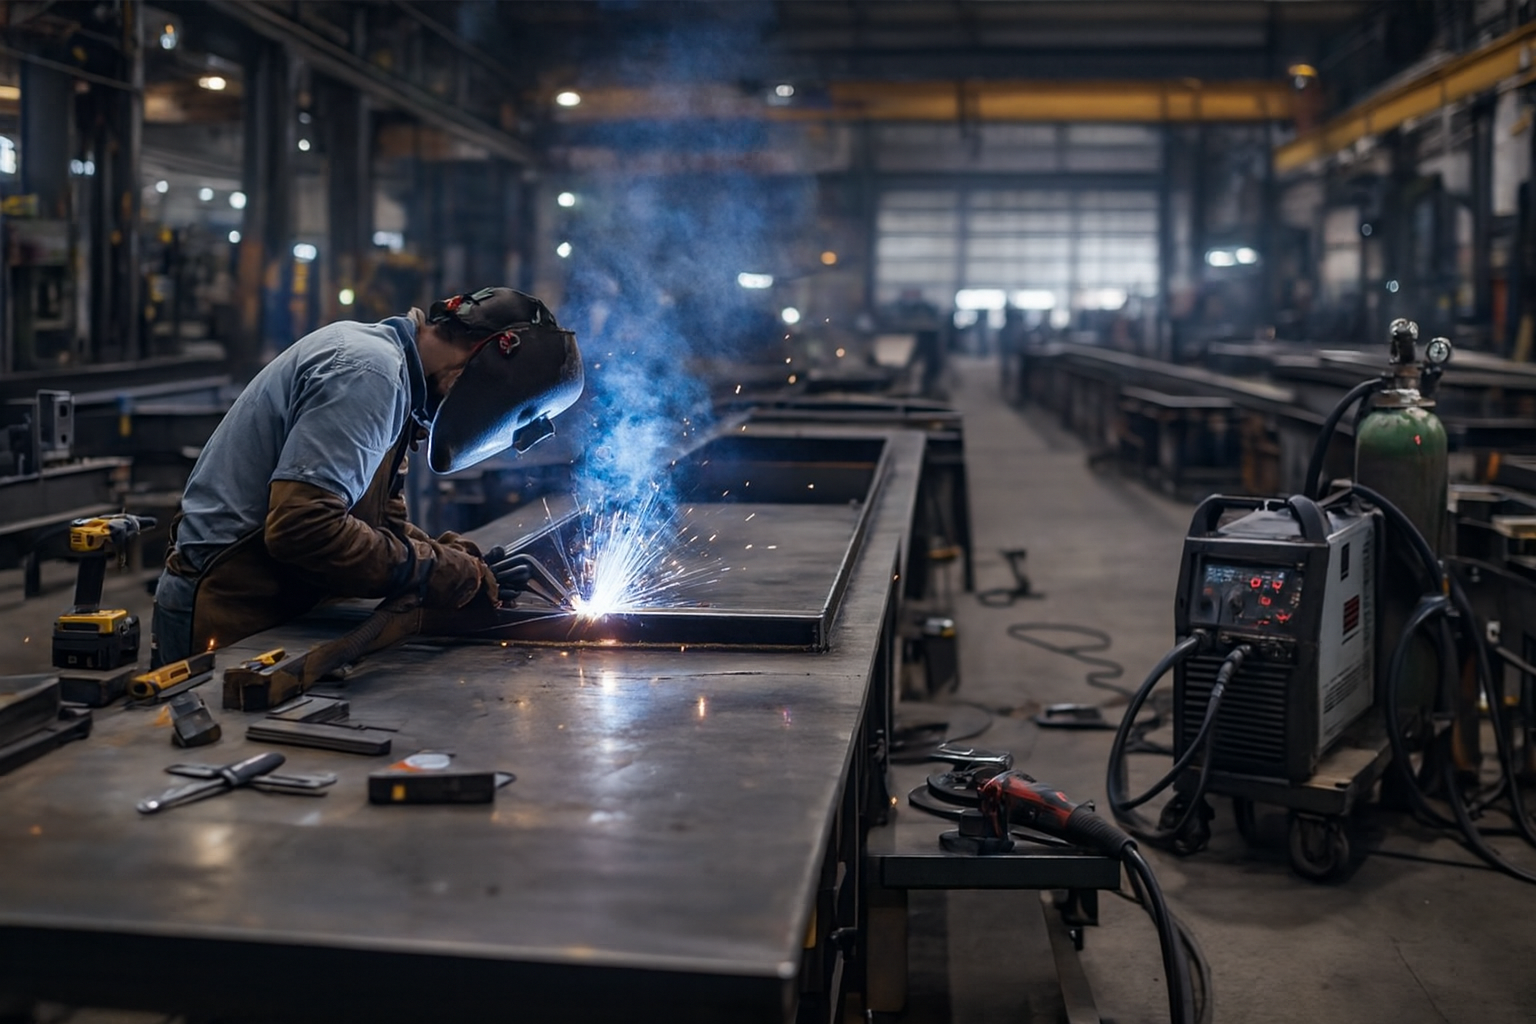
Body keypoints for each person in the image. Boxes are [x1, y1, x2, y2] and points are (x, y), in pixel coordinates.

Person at [150, 286, 583, 666]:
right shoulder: (368, 373)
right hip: (229, 612)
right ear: (475, 371)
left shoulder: (399, 379)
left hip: (274, 605)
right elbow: (303, 529)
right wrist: (435, 571)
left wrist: (453, 559)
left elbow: (374, 527)